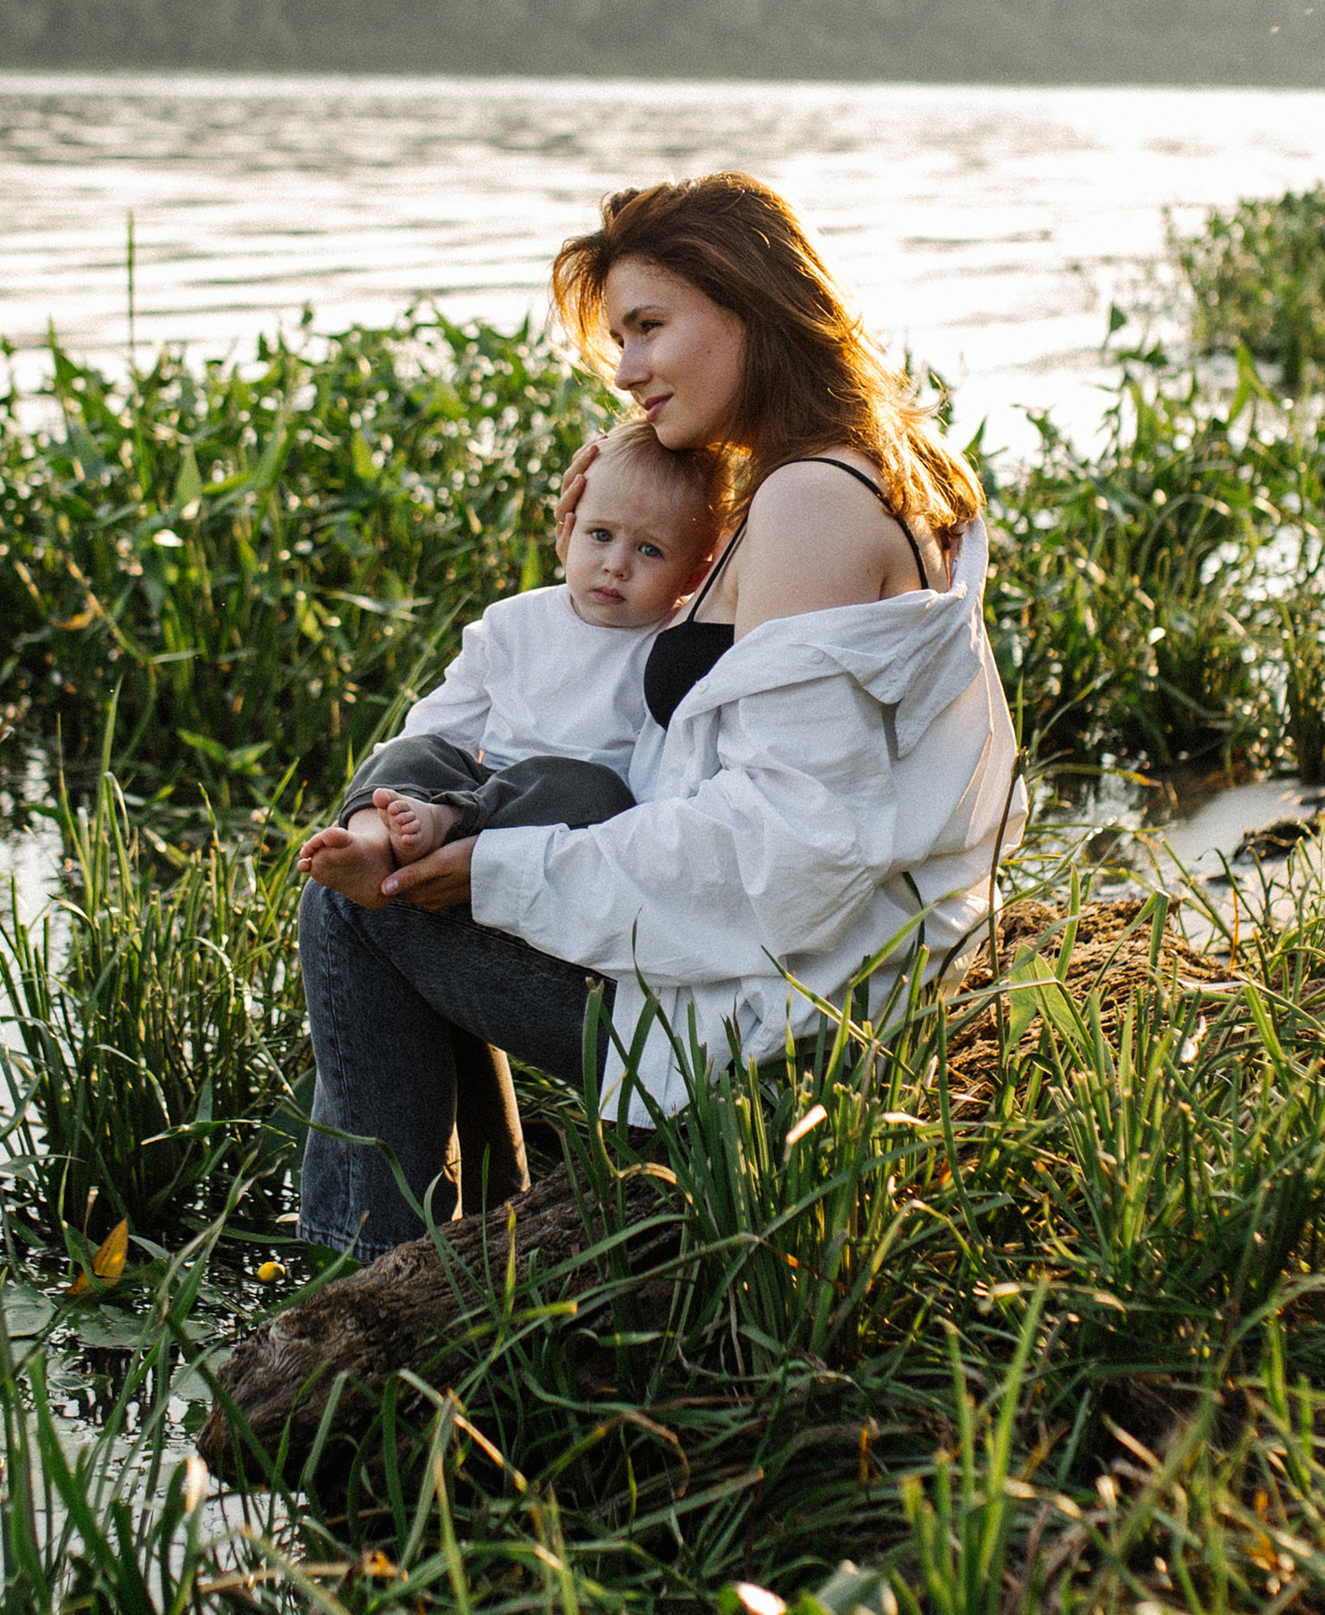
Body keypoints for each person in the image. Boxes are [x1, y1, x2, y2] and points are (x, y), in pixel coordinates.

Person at [292, 173, 1024, 1265]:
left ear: (748, 305)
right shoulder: (844, 471)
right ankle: (455, 1238)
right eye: (616, 337)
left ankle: (359, 1276)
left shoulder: (809, 504)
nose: (623, 370)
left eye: (647, 329)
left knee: (361, 908)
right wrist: (628, 526)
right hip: (822, 970)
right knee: (404, 833)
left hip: (786, 1031)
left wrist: (504, 871)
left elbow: (789, 847)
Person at [296, 418, 728, 885]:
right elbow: (445, 720)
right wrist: (407, 778)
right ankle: (368, 844)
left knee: (592, 789)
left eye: (650, 550)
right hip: (482, 783)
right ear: (566, 534)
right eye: (600, 535)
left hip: (556, 819)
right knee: (409, 751)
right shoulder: (511, 623)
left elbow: (655, 778)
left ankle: (449, 823)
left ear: (692, 578)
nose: (615, 565)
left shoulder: (666, 649)